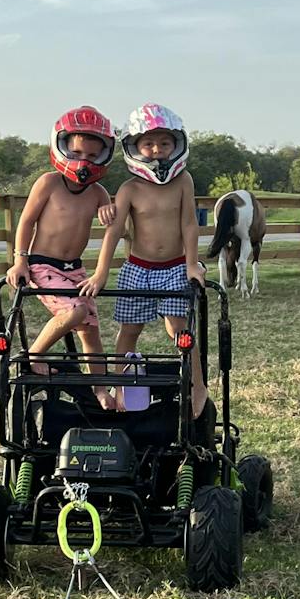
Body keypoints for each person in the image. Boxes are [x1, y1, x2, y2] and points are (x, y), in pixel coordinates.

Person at [80, 103, 209, 419]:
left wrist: (192, 264)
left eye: (164, 143)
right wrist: (100, 273)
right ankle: (119, 385)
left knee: (180, 329)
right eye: (148, 144)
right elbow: (113, 233)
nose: (157, 150)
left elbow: (189, 224)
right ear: (135, 148)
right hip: (138, 268)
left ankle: (197, 385)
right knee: (129, 330)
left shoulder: (183, 182)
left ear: (176, 145)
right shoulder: (129, 189)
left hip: (175, 266)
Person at [5, 105, 117, 404]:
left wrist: (109, 212)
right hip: (43, 264)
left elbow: (113, 225)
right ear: (62, 146)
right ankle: (34, 354)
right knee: (75, 312)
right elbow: (26, 221)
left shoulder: (98, 193)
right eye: (78, 153)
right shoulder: (49, 183)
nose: (85, 163)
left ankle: (100, 389)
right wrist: (20, 260)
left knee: (90, 332)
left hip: (75, 269)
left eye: (92, 156)